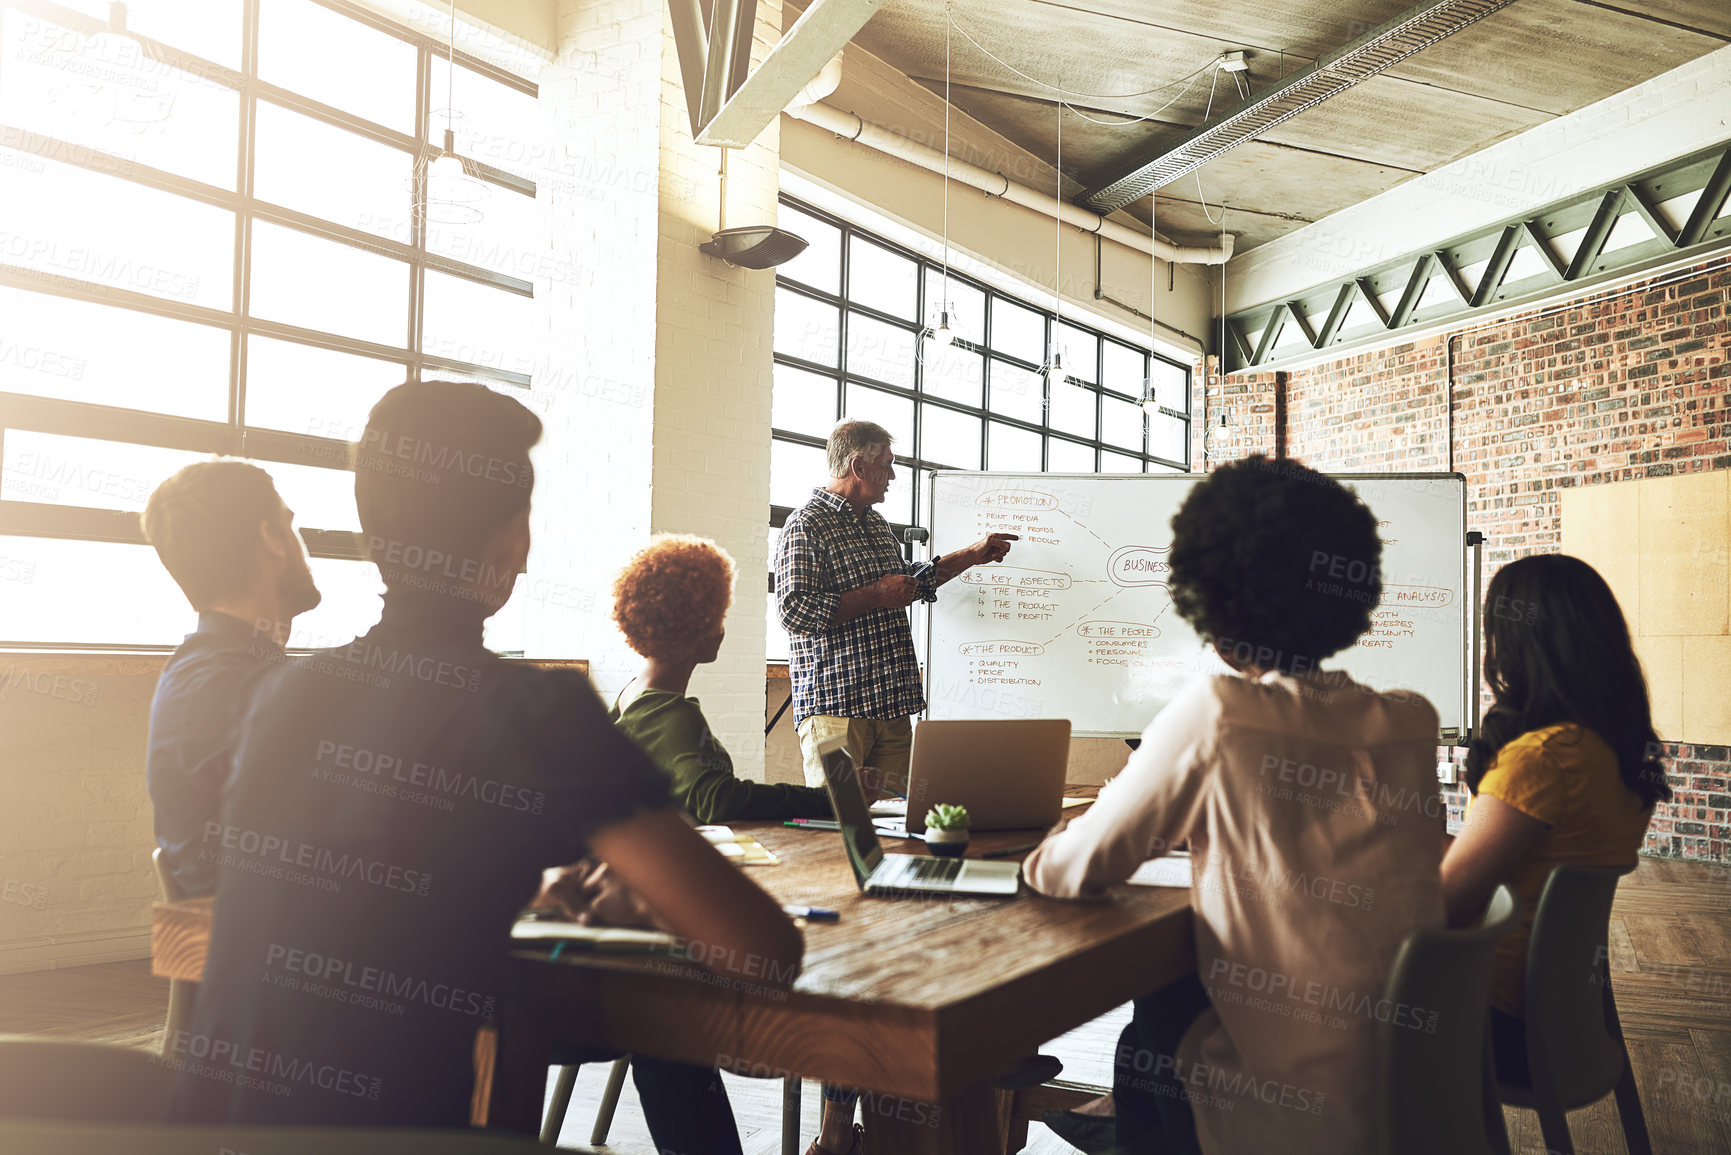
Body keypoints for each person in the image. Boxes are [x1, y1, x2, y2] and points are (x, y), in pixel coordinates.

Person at [167, 381, 802, 1153]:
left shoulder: (281, 695)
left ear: (373, 532)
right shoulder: (538, 710)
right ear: (513, 539)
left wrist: (522, 884)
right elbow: (760, 949)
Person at [1023, 455, 1445, 1155]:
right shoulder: (1412, 721)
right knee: (1154, 1022)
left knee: (1151, 1029)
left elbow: (1072, 871)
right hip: (1413, 1094)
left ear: (1211, 613)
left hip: (1284, 1112)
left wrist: (1050, 839)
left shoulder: (1219, 714)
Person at [772, 419, 1015, 1155]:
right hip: (838, 711)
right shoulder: (805, 526)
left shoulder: (878, 527)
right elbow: (796, 612)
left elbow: (908, 582)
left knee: (901, 872)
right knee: (848, 876)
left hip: (889, 710)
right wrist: (875, 596)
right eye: (887, 467)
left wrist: (968, 558)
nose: (894, 479)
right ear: (854, 464)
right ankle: (832, 1130)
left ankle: (894, 1096)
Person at [1440, 553, 1666, 1083]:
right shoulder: (1606, 747)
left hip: (1492, 1024)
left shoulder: (1542, 759)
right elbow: (1526, 861)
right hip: (1564, 1019)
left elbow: (1443, 907)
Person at [141, 460, 322, 899]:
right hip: (270, 948)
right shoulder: (244, 688)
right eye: (290, 526)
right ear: (270, 539)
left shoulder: (204, 670)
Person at [611, 533, 830, 822]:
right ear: (696, 628)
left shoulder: (632, 693)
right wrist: (828, 798)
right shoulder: (670, 714)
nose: (722, 631)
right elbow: (719, 799)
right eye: (718, 618)